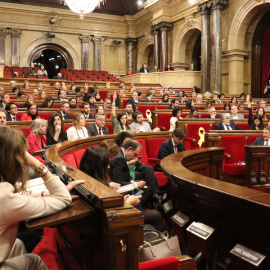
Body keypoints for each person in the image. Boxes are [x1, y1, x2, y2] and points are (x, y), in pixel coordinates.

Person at [0, 126, 78, 269]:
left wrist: (43, 195)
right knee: (35, 261)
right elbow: (63, 198)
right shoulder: (4, 197)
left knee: (17, 244)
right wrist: (36, 162)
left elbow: (15, 198)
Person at [80, 146, 166, 232]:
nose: (109, 167)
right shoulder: (95, 186)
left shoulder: (87, 178)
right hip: (111, 224)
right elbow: (106, 215)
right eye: (107, 164)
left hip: (114, 213)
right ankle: (166, 239)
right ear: (97, 166)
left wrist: (122, 200)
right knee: (156, 215)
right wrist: (128, 203)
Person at [109, 140, 160, 207]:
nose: (134, 157)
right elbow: (119, 182)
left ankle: (154, 200)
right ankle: (137, 210)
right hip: (120, 190)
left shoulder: (119, 152)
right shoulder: (119, 158)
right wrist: (135, 185)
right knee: (149, 191)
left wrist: (135, 182)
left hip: (124, 183)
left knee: (146, 184)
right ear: (129, 149)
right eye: (135, 154)